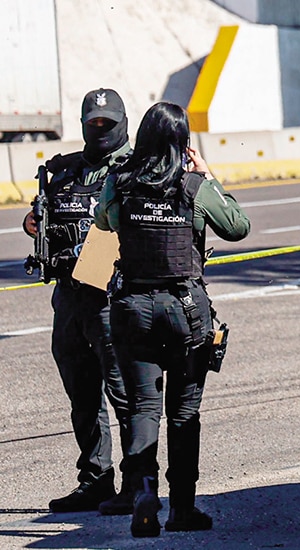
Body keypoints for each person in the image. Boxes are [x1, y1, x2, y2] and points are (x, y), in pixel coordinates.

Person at [93, 101, 250, 537]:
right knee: (184, 411)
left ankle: (144, 488)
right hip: (184, 310)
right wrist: (209, 175)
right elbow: (237, 226)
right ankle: (183, 508)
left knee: (144, 407)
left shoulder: (120, 182)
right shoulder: (192, 185)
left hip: (132, 309)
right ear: (182, 142)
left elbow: (104, 222)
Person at [22, 88, 136, 515]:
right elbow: (46, 215)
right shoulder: (65, 170)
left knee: (123, 393)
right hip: (68, 298)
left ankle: (136, 483)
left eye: (108, 124)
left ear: (123, 122)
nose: (101, 130)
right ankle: (95, 480)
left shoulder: (137, 169)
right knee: (82, 395)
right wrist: (33, 222)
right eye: (94, 124)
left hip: (113, 297)